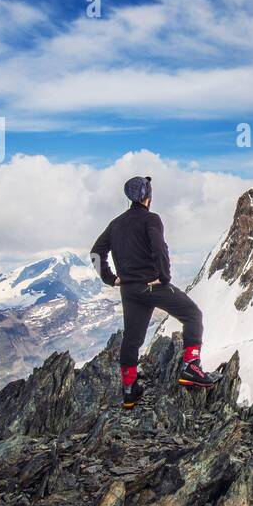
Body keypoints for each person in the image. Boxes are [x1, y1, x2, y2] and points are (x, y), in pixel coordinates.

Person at [91, 175, 215, 408]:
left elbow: (96, 253)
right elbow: (160, 248)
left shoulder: (115, 224)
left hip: (128, 289)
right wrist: (164, 277)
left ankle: (130, 389)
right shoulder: (151, 219)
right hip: (152, 285)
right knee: (192, 315)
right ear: (148, 196)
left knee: (132, 338)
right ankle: (190, 366)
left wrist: (110, 278)